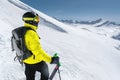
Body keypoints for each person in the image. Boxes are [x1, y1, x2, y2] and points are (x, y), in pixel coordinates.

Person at [21, 11, 59, 80]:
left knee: (29, 76)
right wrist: (51, 60)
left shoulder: (23, 31)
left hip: (26, 60)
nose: (38, 21)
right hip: (34, 61)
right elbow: (38, 52)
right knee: (45, 69)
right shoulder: (31, 33)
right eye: (36, 19)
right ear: (30, 21)